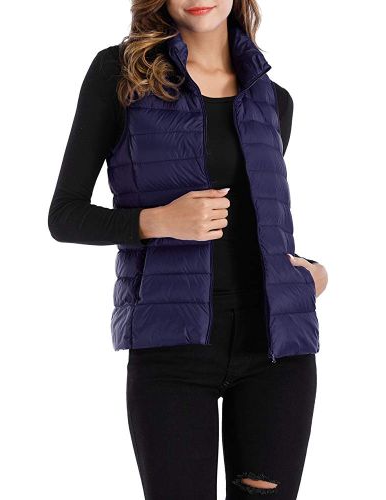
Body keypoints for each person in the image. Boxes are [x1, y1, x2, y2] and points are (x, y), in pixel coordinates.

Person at [48, 1, 328, 498]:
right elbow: (65, 215)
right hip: (170, 352)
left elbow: (256, 225)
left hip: (276, 352)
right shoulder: (122, 76)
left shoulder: (272, 99)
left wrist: (311, 272)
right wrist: (158, 221)